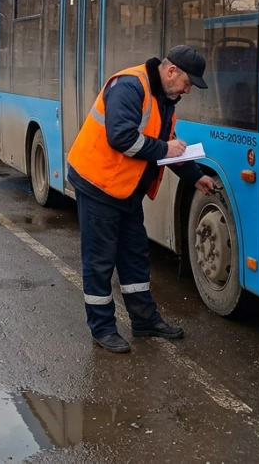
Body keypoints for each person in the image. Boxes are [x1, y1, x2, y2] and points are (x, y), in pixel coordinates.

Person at [67, 45, 218, 353]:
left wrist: (196, 176)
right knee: (100, 262)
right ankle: (102, 328)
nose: (188, 90)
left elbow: (168, 146)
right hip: (98, 185)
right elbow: (121, 137)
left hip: (126, 190)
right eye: (187, 83)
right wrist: (164, 149)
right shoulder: (130, 86)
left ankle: (144, 320)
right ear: (172, 71)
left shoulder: (165, 99)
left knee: (135, 256)